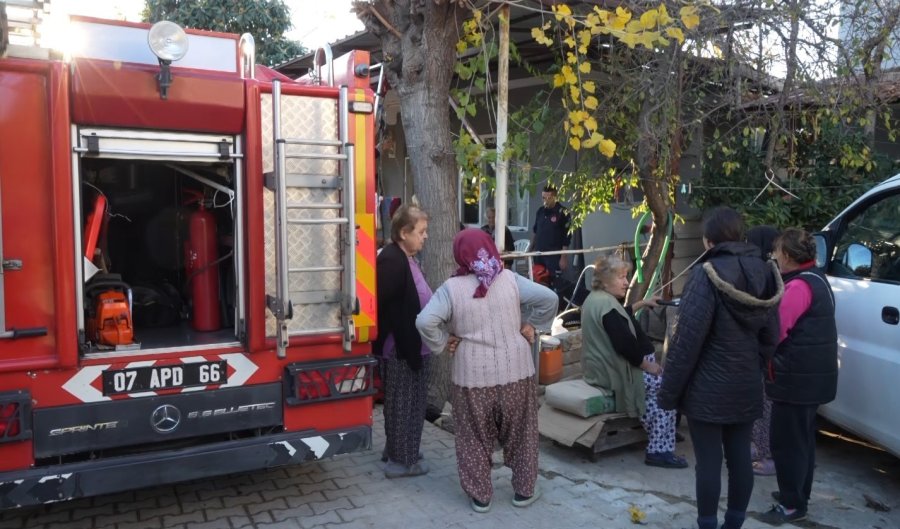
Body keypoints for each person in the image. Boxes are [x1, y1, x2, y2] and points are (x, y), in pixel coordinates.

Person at [415, 228, 557, 513]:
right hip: (517, 372)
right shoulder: (510, 279)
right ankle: (524, 491)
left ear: (460, 254)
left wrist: (443, 342)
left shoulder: (450, 289)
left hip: (472, 379)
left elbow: (424, 322)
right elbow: (549, 299)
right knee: (522, 433)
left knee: (473, 437)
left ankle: (481, 496)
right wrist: (531, 326)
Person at [658, 207, 783, 529]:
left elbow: (686, 340)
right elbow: (771, 336)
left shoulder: (707, 273)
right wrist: (751, 366)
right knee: (740, 455)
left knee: (710, 462)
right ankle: (735, 523)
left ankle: (708, 524)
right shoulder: (768, 273)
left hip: (707, 389)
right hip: (745, 383)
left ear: (708, 240)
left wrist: (669, 392)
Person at [757, 228, 838, 525]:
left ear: (788, 256)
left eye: (777, 253)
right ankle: (797, 495)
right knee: (802, 440)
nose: (774, 258)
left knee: (786, 443)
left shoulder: (798, 287)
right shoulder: (817, 279)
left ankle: (792, 504)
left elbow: (775, 332)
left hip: (796, 379)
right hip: (813, 378)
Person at [581, 253, 688, 469]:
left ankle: (663, 433)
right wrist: (649, 366)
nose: (626, 282)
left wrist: (641, 303)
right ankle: (660, 450)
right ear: (605, 279)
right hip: (621, 372)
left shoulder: (599, 299)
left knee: (658, 393)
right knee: (668, 389)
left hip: (607, 368)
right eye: (621, 277)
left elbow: (621, 317)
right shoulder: (608, 307)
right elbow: (625, 346)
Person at [373, 205, 432, 479]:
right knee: (404, 404)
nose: (425, 237)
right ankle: (402, 461)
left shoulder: (403, 257)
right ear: (403, 232)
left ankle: (399, 449)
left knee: (406, 404)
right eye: (421, 232)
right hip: (401, 349)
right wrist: (406, 347)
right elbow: (387, 309)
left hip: (408, 346)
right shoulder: (392, 260)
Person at [745, 225, 781, 476]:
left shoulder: (764, 272)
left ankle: (765, 453)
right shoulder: (766, 269)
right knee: (758, 404)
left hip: (763, 351)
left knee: (765, 405)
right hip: (759, 350)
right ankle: (756, 448)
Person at [529, 185, 570, 277]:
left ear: (554, 197)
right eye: (543, 198)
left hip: (553, 256)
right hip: (538, 254)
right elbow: (536, 231)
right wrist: (529, 250)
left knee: (553, 283)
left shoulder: (563, 212)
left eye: (549, 198)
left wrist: (563, 258)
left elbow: (566, 237)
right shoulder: (540, 211)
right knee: (538, 281)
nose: (545, 201)